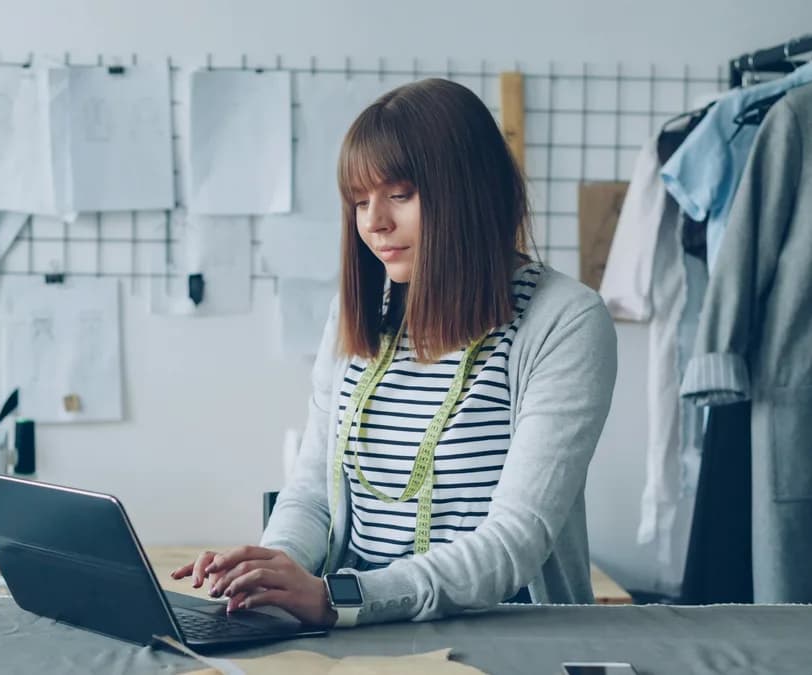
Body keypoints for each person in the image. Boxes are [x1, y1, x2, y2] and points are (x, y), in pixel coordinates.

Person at [172, 77, 617, 628]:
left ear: (468, 192)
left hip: (500, 635)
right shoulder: (356, 313)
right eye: (360, 202)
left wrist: (339, 598)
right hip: (355, 625)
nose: (375, 223)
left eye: (400, 195)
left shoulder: (565, 321)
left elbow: (513, 543)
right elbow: (312, 492)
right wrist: (275, 571)